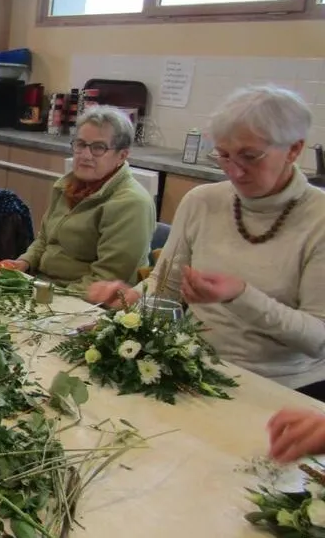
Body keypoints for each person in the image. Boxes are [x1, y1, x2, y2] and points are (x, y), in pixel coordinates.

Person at [88, 86, 325, 398]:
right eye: (223, 155)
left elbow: (317, 338)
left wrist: (240, 296)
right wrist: (131, 298)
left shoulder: (317, 218)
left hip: (283, 390)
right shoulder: (202, 201)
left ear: (294, 149)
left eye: (250, 156)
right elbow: (164, 287)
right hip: (192, 368)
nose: (235, 170)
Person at [0, 106, 155, 292]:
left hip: (83, 304)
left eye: (98, 148)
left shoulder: (131, 203)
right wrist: (24, 262)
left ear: (122, 155)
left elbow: (106, 281)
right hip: (43, 286)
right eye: (80, 144)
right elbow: (44, 240)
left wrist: (44, 294)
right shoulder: (68, 186)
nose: (85, 155)